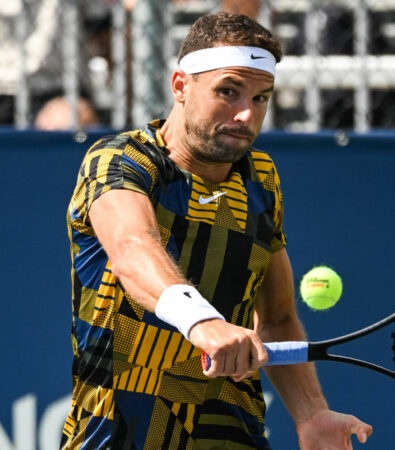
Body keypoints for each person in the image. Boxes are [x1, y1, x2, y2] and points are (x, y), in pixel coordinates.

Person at [61, 12, 373, 450]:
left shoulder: (260, 179)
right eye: (228, 91)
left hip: (229, 434)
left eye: (261, 98)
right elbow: (132, 247)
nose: (246, 114)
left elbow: (279, 316)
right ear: (180, 86)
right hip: (118, 434)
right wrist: (202, 322)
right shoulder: (120, 160)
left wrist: (311, 412)